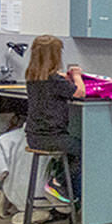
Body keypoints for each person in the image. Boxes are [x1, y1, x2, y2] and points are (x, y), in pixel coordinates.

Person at [24, 34, 85, 203]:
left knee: (72, 151)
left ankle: (61, 186)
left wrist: (65, 79)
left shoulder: (32, 76)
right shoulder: (55, 81)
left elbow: (55, 86)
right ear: (55, 56)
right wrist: (77, 75)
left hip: (34, 137)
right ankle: (58, 182)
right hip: (53, 137)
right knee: (85, 149)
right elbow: (80, 92)